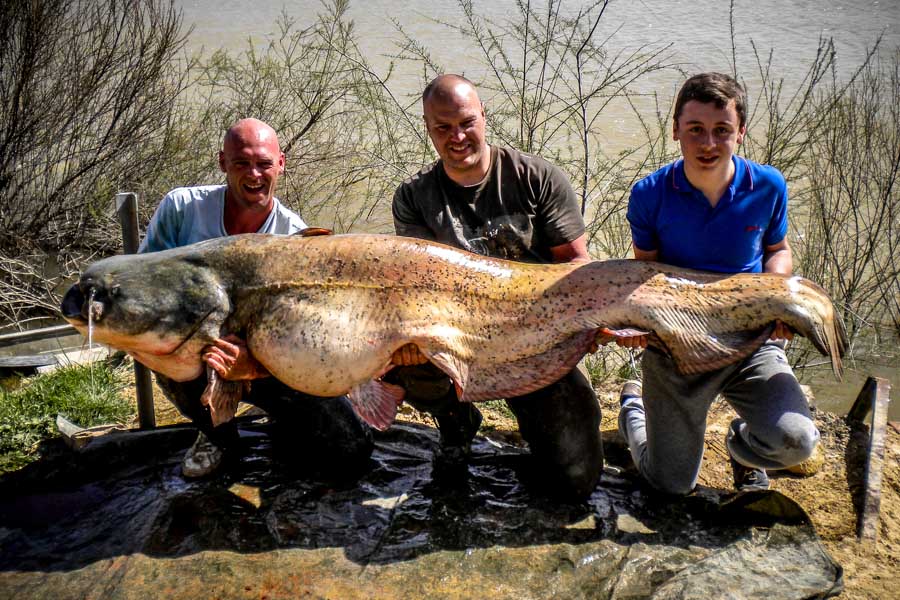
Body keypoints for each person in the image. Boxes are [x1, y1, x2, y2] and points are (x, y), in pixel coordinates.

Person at [390, 74, 604, 500]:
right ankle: (456, 422)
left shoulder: (538, 178)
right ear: (428, 128)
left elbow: (577, 269)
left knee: (576, 481)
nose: (457, 137)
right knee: (396, 351)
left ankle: (536, 421)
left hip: (532, 341)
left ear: (484, 116)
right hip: (454, 340)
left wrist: (586, 324)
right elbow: (418, 291)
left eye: (466, 123)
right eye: (443, 127)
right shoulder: (413, 197)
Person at [617, 72, 819, 495]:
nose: (708, 143)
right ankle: (633, 410)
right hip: (677, 348)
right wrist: (635, 324)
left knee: (797, 442)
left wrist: (774, 297)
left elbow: (778, 250)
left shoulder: (768, 185)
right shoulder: (648, 194)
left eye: (722, 130)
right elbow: (645, 276)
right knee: (671, 485)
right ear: (676, 130)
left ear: (741, 132)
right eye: (695, 129)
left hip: (750, 342)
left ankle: (742, 449)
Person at [140, 118, 373, 478]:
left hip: (271, 365)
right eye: (241, 163)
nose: (254, 175)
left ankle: (281, 418)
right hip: (200, 356)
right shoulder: (181, 209)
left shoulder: (295, 238)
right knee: (162, 351)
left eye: (264, 163)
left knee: (351, 449)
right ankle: (216, 435)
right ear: (222, 162)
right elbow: (147, 292)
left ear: (281, 163)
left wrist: (253, 364)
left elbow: (308, 338)